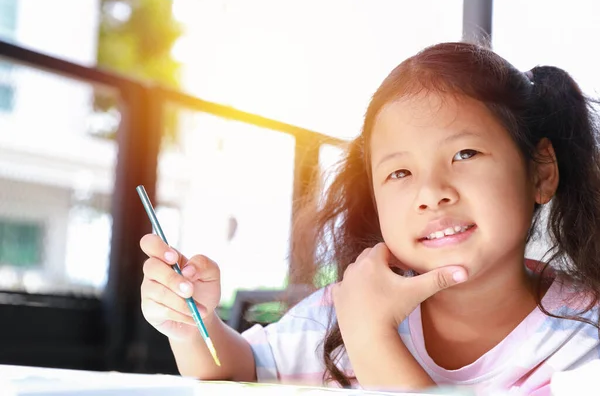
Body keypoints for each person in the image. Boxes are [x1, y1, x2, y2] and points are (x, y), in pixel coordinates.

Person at [138, 42, 600, 395]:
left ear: (541, 171)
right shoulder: (339, 311)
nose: (431, 193)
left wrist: (370, 336)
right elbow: (240, 373)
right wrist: (194, 326)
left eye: (464, 153)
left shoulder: (584, 338)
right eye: (399, 172)